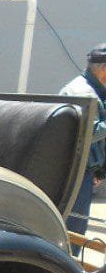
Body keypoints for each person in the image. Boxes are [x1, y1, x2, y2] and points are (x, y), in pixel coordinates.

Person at [59, 43, 106, 249]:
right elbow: (90, 132)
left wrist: (99, 171)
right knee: (73, 233)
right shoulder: (84, 92)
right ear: (103, 70)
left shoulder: (92, 89)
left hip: (83, 172)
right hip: (74, 175)